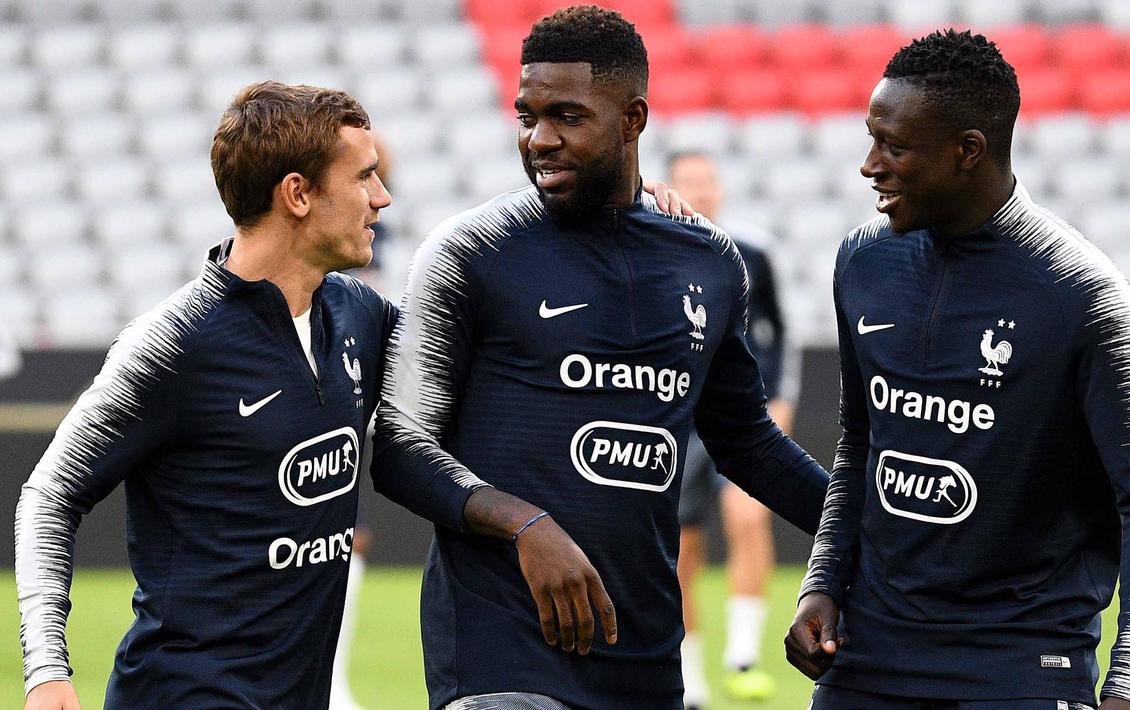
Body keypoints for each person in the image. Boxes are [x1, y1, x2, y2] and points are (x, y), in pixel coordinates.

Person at [14, 81, 629, 710]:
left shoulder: (357, 312)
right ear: (298, 194)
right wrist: (47, 670)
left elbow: (477, 372)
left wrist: (627, 213)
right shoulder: (173, 343)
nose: (382, 197)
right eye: (364, 177)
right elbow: (50, 497)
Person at [371, 7, 829, 710]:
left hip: (645, 661)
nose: (539, 138)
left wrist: (868, 534)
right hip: (504, 660)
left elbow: (748, 444)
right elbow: (399, 445)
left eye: (567, 116)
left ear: (632, 118)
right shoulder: (470, 251)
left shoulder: (709, 261)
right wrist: (523, 524)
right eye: (527, 116)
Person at [785, 30, 1130, 710]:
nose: (869, 165)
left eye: (893, 146)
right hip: (866, 659)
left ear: (966, 151)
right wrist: (821, 582)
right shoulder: (862, 261)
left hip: (1019, 667)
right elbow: (861, 444)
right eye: (871, 139)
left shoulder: (1080, 292)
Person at [668, 150, 799, 707]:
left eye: (708, 180)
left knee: (748, 518)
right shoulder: (655, 248)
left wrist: (782, 400)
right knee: (681, 549)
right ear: (668, 187)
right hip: (679, 422)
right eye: (689, 181)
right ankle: (689, 677)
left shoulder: (752, 251)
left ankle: (742, 656)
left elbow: (781, 332)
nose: (701, 190)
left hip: (744, 414)